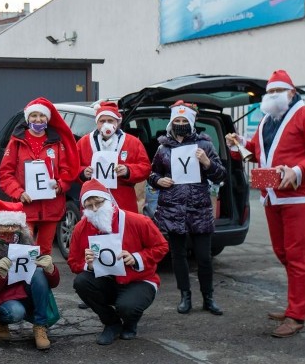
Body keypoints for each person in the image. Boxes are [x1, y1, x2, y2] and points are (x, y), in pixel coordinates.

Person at [226, 70, 305, 338]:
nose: (272, 95)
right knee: (283, 252)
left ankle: (296, 315)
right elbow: (255, 152)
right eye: (270, 92)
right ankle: (304, 306)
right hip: (271, 193)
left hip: (298, 196)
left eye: (278, 91)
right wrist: (239, 143)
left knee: (297, 255)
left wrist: (297, 170)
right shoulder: (267, 120)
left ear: (291, 93)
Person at [68, 180, 168, 345]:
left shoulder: (137, 221)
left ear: (108, 200)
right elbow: (73, 262)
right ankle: (111, 323)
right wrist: (88, 265)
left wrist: (136, 257)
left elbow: (162, 246)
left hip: (138, 280)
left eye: (98, 203)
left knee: (127, 307)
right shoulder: (80, 228)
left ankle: (130, 322)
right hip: (107, 281)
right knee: (81, 282)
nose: (94, 209)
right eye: (89, 205)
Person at [149, 101, 226, 316]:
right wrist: (158, 181)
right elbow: (152, 173)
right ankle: (185, 296)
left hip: (199, 208)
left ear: (191, 122)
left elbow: (221, 174)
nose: (180, 124)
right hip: (173, 209)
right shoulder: (163, 148)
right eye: (177, 121)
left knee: (203, 256)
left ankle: (208, 297)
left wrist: (207, 163)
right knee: (178, 255)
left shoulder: (205, 146)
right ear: (171, 123)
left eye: (184, 121)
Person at [0, 97, 79, 255]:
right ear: (28, 118)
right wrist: (19, 193)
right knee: (23, 249)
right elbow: (5, 173)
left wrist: (61, 185)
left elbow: (67, 170)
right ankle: (25, 280)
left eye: (42, 116)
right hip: (25, 207)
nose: (38, 119)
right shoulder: (16, 142)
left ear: (47, 118)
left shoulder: (56, 142)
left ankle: (44, 279)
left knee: (45, 251)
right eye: (34, 116)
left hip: (52, 206)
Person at [0, 200, 60, 350]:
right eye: (5, 226)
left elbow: (52, 283)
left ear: (20, 227)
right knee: (15, 313)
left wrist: (51, 269)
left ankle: (40, 326)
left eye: (14, 226)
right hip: (2, 296)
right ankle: (1, 321)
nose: (10, 230)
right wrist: (0, 274)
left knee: (39, 272)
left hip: (25, 292)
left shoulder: (26, 241)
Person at [77, 101, 151, 213]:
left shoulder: (133, 142)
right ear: (97, 122)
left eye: (110, 120)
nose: (106, 124)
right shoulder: (84, 142)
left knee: (124, 229)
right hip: (93, 200)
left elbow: (145, 167)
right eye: (102, 121)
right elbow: (71, 167)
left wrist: (128, 171)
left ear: (117, 122)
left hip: (123, 198)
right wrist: (82, 172)